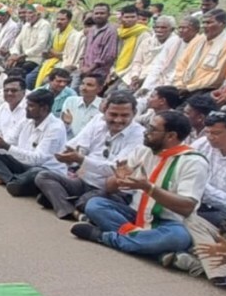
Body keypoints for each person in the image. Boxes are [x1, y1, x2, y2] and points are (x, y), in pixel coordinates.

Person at [72, 111, 209, 258]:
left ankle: (105, 237)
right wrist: (118, 179)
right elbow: (109, 187)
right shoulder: (143, 150)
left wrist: (148, 188)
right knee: (95, 205)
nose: (146, 132)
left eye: (152, 130)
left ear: (171, 136)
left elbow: (187, 207)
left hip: (168, 223)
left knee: (178, 238)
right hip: (135, 215)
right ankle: (152, 250)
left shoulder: (194, 162)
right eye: (147, 128)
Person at [35, 90, 145, 221]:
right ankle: (72, 210)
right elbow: (78, 144)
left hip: (111, 191)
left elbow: (115, 169)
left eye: (125, 115)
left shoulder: (139, 136)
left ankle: (62, 203)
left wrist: (80, 159)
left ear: (134, 114)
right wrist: (67, 155)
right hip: (84, 181)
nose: (118, 120)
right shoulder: (98, 121)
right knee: (43, 176)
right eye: (113, 114)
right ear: (104, 111)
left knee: (87, 202)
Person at [0, 88, 67, 197]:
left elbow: (37, 160)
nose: (26, 109)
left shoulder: (55, 128)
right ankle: (13, 182)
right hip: (23, 165)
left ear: (44, 108)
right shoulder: (27, 119)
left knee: (37, 172)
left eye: (31, 106)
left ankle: (15, 182)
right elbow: (10, 139)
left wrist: (6, 146)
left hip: (44, 170)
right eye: (27, 105)